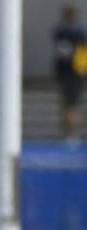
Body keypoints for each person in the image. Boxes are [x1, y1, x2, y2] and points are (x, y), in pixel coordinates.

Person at [55, 5, 87, 139]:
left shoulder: (74, 34)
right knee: (68, 104)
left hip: (73, 73)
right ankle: (69, 131)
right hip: (70, 73)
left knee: (70, 105)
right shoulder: (64, 33)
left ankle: (72, 132)